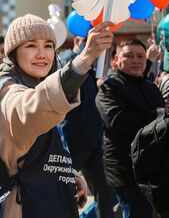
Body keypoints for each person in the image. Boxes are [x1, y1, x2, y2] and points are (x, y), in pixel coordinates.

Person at [0, 14, 113, 218]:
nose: (42, 54)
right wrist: (84, 59)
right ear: (14, 53)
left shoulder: (34, 84)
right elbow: (34, 109)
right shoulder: (7, 92)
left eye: (48, 45)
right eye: (31, 46)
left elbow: (38, 148)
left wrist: (66, 173)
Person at [96, 39, 165, 218]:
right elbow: (117, 121)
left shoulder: (151, 87)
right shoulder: (109, 87)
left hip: (152, 169)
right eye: (129, 56)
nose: (136, 60)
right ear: (117, 59)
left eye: (140, 56)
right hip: (125, 170)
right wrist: (159, 113)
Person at [59, 40, 115, 218]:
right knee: (65, 192)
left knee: (106, 192)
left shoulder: (96, 67)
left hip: (94, 142)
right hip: (72, 142)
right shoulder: (69, 60)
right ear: (79, 42)